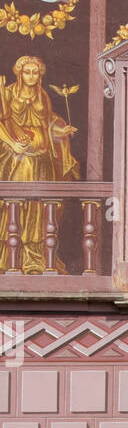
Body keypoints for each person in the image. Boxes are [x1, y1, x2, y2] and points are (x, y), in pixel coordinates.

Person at [0, 55, 79, 274]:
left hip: (41, 159)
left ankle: (34, 261)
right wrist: (11, 144)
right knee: (16, 205)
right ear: (19, 72)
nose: (32, 76)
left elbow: (47, 123)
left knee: (38, 208)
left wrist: (60, 131)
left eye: (35, 72)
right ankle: (9, 260)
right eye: (27, 72)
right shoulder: (6, 93)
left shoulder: (42, 96)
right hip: (16, 160)